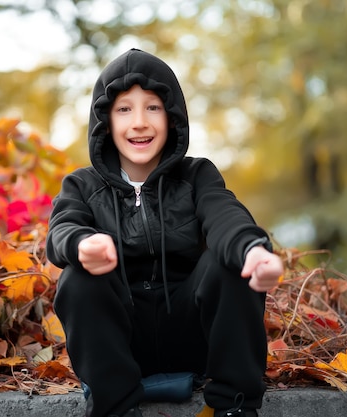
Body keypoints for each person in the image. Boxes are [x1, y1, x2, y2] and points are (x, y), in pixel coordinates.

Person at [46, 48, 284, 417]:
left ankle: (234, 407)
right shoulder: (82, 186)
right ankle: (116, 409)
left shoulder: (196, 176)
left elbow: (224, 215)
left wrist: (251, 250)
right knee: (77, 279)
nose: (139, 122)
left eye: (153, 107)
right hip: (122, 346)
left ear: (172, 118)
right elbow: (62, 228)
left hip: (192, 337)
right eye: (125, 109)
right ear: (106, 122)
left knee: (229, 263)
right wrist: (81, 243)